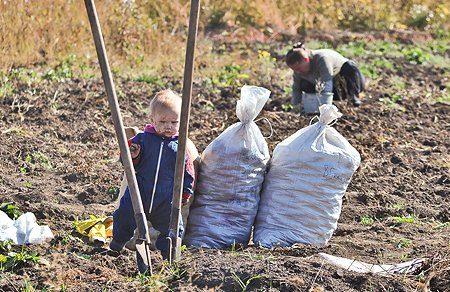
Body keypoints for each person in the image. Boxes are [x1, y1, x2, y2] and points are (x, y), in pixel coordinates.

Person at [109, 89, 195, 267]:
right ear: (152, 120)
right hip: (139, 195)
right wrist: (132, 154)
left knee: (173, 227)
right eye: (163, 122)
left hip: (165, 200)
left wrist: (185, 194)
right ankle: (116, 244)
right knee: (123, 217)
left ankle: (169, 255)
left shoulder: (179, 147)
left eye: (173, 122)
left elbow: (188, 172)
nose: (168, 126)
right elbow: (126, 161)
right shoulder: (142, 140)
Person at [286, 42, 365, 107]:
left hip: (346, 83)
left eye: (299, 68)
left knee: (350, 66)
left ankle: (353, 98)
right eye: (295, 70)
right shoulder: (298, 71)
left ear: (306, 59)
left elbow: (327, 83)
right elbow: (296, 89)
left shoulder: (322, 58)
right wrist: (296, 106)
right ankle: (315, 104)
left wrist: (325, 107)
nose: (297, 72)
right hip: (332, 90)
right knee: (303, 84)